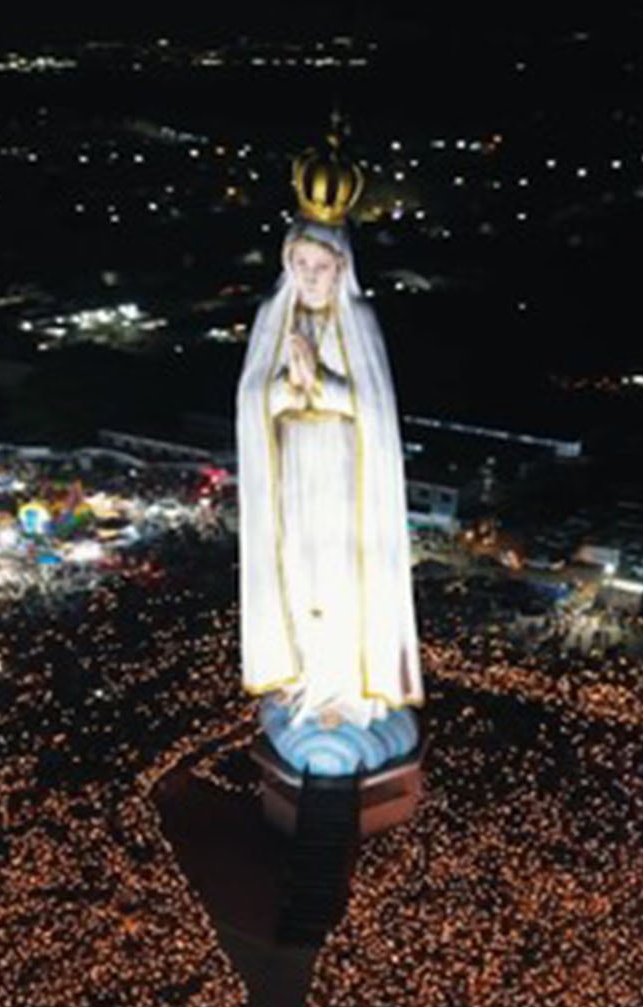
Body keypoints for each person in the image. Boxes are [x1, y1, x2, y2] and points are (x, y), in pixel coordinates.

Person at [235, 119, 423, 775]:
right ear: (288, 265)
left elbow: (374, 411)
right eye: (301, 265)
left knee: (342, 579)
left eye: (322, 266)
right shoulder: (271, 320)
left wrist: (325, 383)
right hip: (292, 474)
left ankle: (344, 690)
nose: (311, 276)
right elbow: (252, 401)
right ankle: (306, 682)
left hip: (345, 478)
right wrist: (288, 389)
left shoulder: (359, 321)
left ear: (341, 267)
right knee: (298, 572)